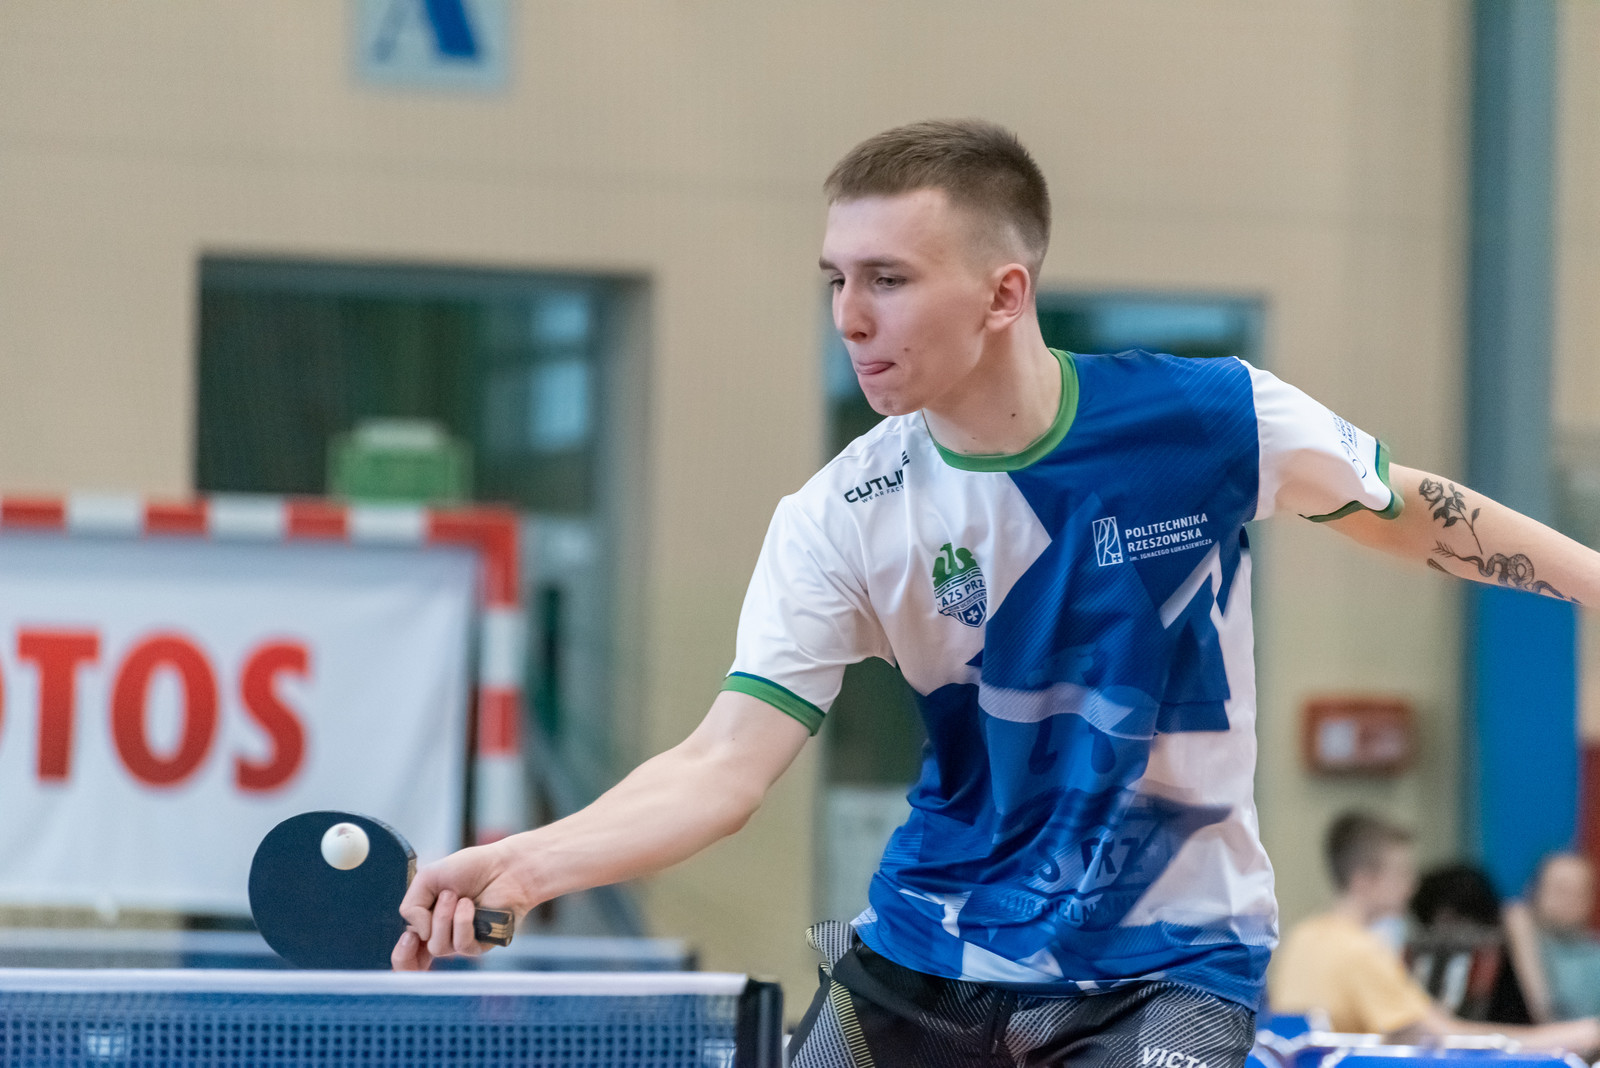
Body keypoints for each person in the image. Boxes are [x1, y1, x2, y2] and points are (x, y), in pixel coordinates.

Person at [390, 119, 1600, 1066]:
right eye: (835, 279)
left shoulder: (1206, 418)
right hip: (927, 953)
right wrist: (531, 862)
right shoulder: (839, 515)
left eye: (887, 279)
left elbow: (1404, 510)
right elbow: (722, 765)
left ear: (1004, 293)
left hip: (1164, 967)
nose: (849, 318)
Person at [1271, 812, 1597, 1049]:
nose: (1412, 886)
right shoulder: (1358, 949)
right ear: (1363, 880)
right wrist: (1574, 1036)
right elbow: (1443, 1037)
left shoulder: (1303, 936)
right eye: (1401, 873)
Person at [1504, 851, 1600, 1022]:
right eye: (1561, 889)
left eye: (1579, 892)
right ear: (1533, 890)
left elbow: (1552, 1018)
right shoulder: (1505, 941)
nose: (1569, 900)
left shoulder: (1594, 954)